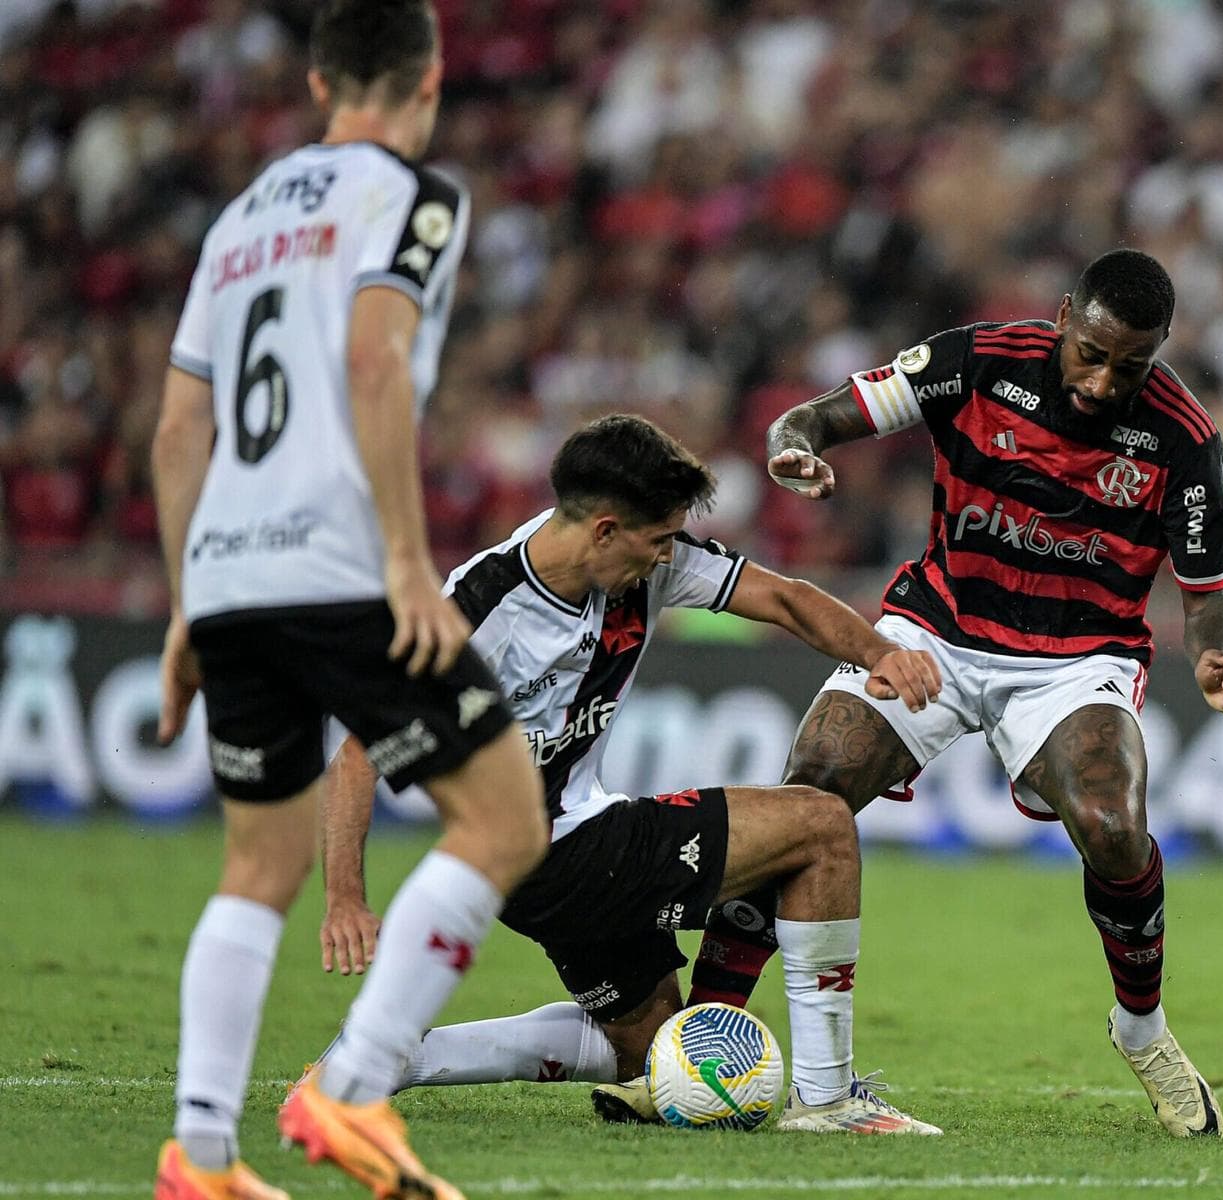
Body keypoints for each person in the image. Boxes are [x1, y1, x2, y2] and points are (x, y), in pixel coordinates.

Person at [676, 248, 1223, 1139]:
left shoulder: (1182, 437)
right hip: (937, 628)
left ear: (1160, 352)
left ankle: (1142, 1032)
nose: (1104, 383)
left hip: (1076, 656)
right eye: (1091, 353)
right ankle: (699, 1037)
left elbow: (1210, 600)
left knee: (1111, 824)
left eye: (1130, 366)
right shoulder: (977, 360)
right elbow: (823, 414)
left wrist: (1218, 659)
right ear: (1065, 316)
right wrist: (792, 446)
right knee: (813, 784)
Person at [151, 3, 548, 1197]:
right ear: (428, 80)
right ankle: (355, 1084)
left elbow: (179, 428)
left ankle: (203, 1155)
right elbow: (375, 358)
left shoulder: (238, 220)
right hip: (337, 561)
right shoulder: (416, 197)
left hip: (227, 568)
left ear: (322, 78)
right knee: (503, 820)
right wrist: (406, 559)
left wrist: (186, 606)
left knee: (255, 868)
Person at [313, 414, 943, 1135]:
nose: (668, 555)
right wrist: (344, 899)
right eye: (658, 539)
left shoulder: (650, 561)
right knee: (821, 825)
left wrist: (879, 653)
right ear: (605, 530)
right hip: (551, 849)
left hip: (557, 857)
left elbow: (785, 598)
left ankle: (389, 1055)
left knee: (648, 1055)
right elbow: (360, 752)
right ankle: (830, 1100)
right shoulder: (481, 610)